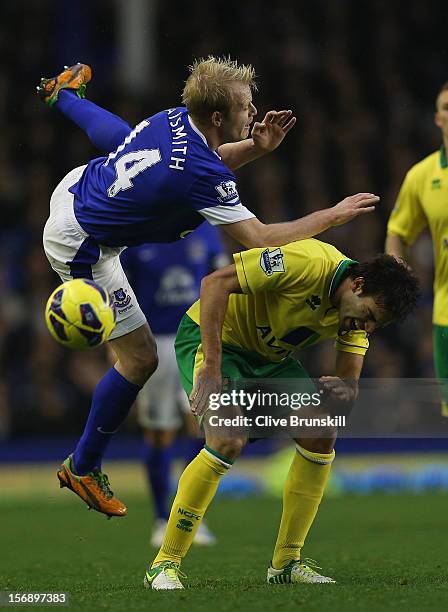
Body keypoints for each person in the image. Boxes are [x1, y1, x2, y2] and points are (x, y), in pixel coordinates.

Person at [38, 59, 379, 518]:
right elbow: (259, 238)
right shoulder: (201, 173)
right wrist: (330, 217)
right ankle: (83, 466)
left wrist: (256, 149)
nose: (253, 110)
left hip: (80, 186)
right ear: (218, 117)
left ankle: (65, 96)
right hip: (82, 245)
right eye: (245, 105)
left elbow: (202, 162)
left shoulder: (174, 119)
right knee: (139, 359)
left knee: (122, 140)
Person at [143, 239, 419, 589]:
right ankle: (164, 563)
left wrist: (346, 392)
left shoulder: (353, 316)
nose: (367, 328)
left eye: (376, 325)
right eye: (369, 317)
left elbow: (349, 385)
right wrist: (212, 367)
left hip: (270, 360)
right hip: (217, 341)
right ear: (358, 284)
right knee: (227, 439)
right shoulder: (306, 262)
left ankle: (286, 563)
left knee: (321, 432)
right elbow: (215, 283)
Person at [121, 222, 229, 546]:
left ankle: (191, 516)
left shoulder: (206, 230)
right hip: (153, 342)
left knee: (202, 425)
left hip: (197, 339)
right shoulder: (135, 234)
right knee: (159, 432)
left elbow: (223, 281)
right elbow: (119, 293)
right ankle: (160, 518)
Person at [385, 81, 448, 415]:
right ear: (437, 119)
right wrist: (399, 275)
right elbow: (397, 231)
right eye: (446, 107)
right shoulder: (422, 176)